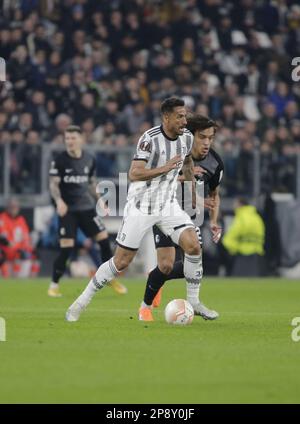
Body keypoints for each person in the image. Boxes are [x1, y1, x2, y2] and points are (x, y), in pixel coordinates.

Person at [65, 97, 202, 322]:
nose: (184, 120)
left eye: (185, 115)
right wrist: (164, 168)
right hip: (141, 206)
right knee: (121, 262)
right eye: (180, 116)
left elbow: (187, 163)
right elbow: (134, 173)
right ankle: (81, 302)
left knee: (193, 245)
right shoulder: (149, 139)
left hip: (167, 204)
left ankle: (193, 302)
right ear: (166, 117)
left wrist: (192, 192)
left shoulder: (186, 138)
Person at [142, 114, 224, 320]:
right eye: (202, 137)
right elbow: (152, 179)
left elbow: (214, 195)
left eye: (210, 138)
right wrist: (184, 175)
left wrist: (214, 221)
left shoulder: (215, 163)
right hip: (163, 210)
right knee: (167, 265)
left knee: (193, 256)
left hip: (190, 215)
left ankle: (191, 300)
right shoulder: (174, 150)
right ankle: (145, 307)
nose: (206, 143)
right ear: (191, 135)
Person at [48, 125, 127, 297]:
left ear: (81, 139)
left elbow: (91, 183)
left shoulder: (89, 159)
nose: (69, 141)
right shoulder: (60, 160)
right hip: (67, 210)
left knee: (104, 241)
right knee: (66, 248)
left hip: (87, 209)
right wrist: (59, 201)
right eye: (67, 138)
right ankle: (54, 285)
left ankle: (110, 278)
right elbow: (53, 184)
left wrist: (100, 200)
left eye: (73, 138)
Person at [220, 198, 265, 276]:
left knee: (239, 282)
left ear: (240, 205)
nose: (234, 207)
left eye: (235, 205)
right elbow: (262, 235)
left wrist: (234, 249)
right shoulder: (257, 218)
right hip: (256, 255)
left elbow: (228, 240)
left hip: (242, 256)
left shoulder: (241, 218)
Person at [0, 198, 38, 277]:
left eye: (15, 207)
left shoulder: (21, 220)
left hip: (19, 251)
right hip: (6, 251)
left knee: (34, 255)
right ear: (7, 207)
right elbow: (3, 238)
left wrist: (27, 247)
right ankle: (7, 277)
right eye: (12, 207)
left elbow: (26, 237)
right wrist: (12, 245)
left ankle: (32, 280)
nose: (14, 209)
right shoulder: (2, 218)